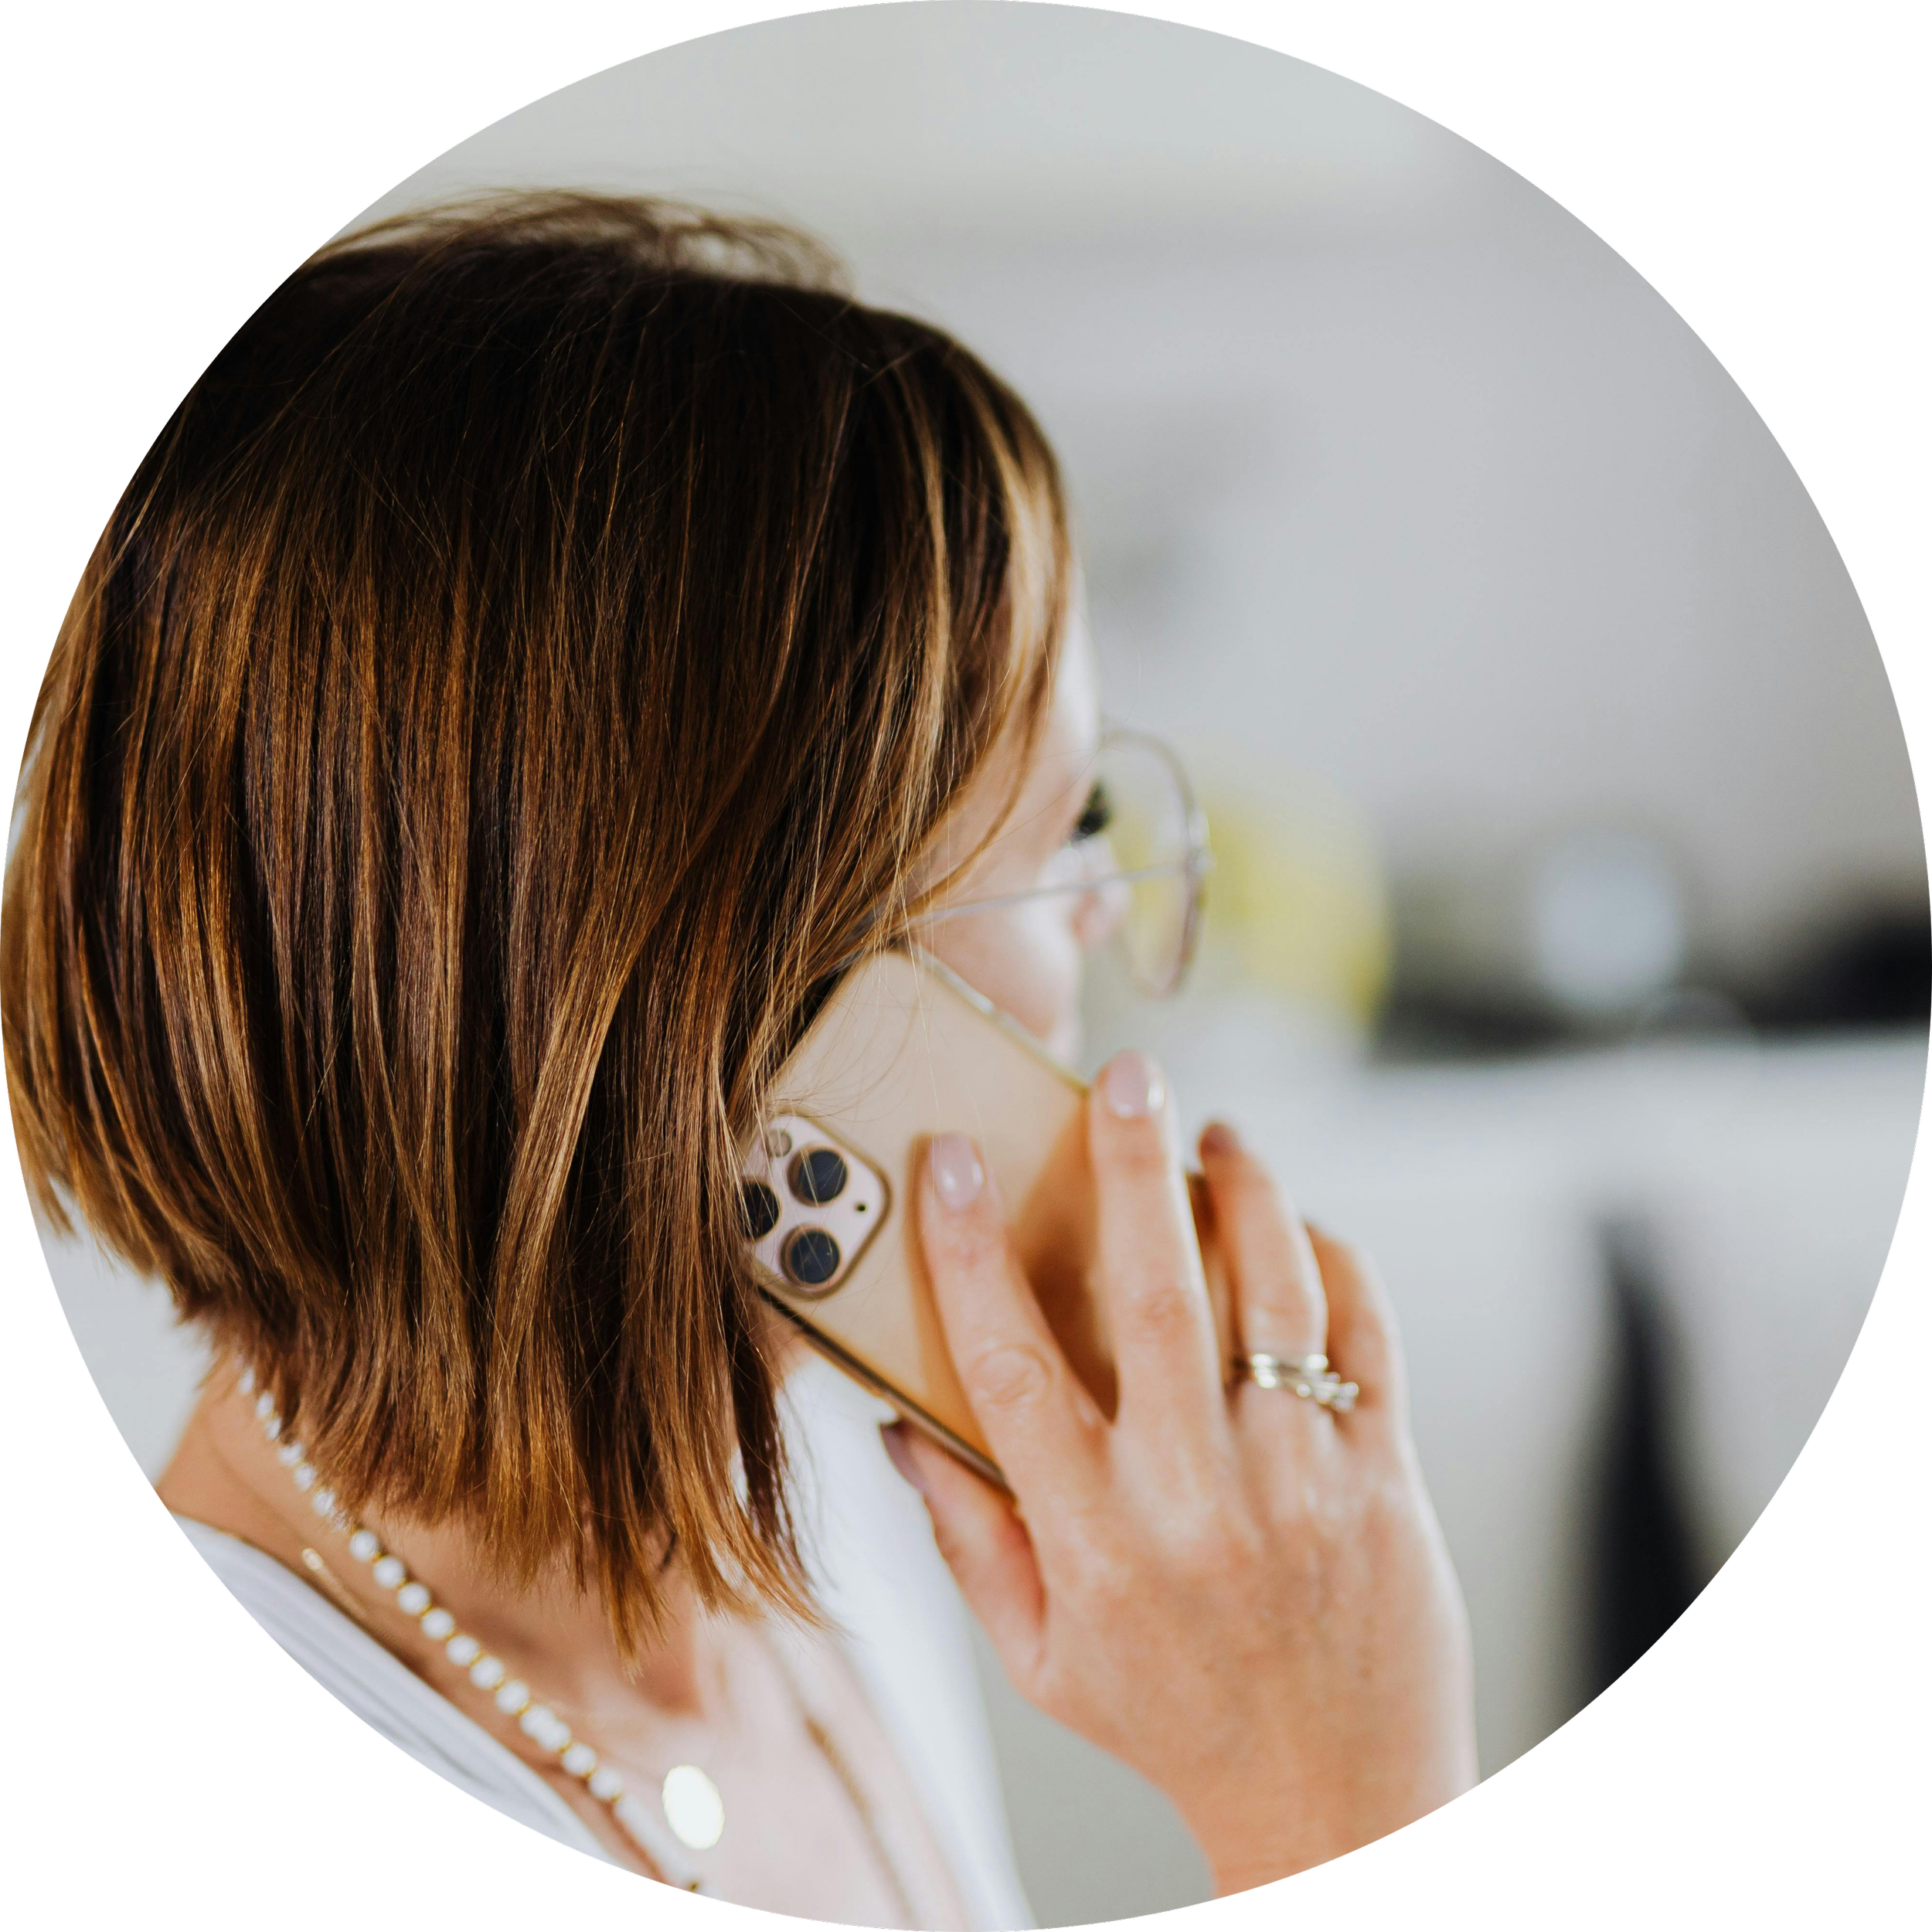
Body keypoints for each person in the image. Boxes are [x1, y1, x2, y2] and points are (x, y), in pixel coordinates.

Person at [4, 194, 1476, 1917]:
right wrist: (1333, 1784)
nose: (1100, 919)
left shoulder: (822, 1513)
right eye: (1053, 824)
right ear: (719, 997)